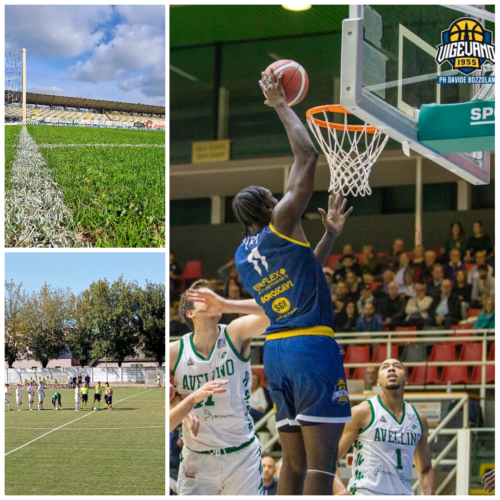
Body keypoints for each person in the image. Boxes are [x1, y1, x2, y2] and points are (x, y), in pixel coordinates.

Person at [231, 71, 354, 497]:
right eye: (276, 197)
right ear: (269, 205)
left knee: (294, 464)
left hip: (278, 353)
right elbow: (307, 156)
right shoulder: (282, 221)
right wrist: (281, 103)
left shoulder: (242, 256)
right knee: (323, 465)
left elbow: (304, 274)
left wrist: (330, 237)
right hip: (310, 348)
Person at [170, 279, 270, 496]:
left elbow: (276, 310)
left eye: (213, 296)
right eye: (204, 299)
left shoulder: (234, 333)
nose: (212, 300)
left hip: (241, 456)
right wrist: (182, 406)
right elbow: (163, 411)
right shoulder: (174, 353)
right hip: (197, 459)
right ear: (190, 313)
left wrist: (227, 304)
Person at [333, 359, 436, 495]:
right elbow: (329, 458)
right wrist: (339, 490)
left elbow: (426, 469)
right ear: (378, 382)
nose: (391, 369)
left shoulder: (419, 420)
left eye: (397, 366)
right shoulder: (361, 412)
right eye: (385, 367)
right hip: (365, 493)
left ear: (406, 380)